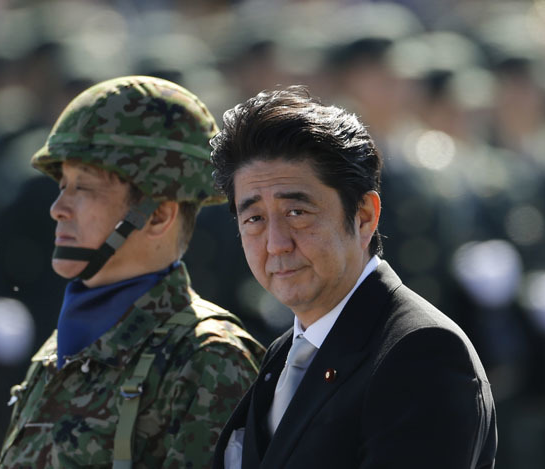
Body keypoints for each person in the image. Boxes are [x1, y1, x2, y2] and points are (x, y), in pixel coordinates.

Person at [210, 86, 497, 469]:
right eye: (254, 220)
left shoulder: (421, 353)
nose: (276, 244)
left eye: (297, 212)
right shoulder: (286, 353)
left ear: (364, 216)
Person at [0, 75, 265, 468]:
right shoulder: (64, 346)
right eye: (63, 185)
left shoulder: (208, 361)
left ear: (157, 215)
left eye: (84, 189)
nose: (58, 208)